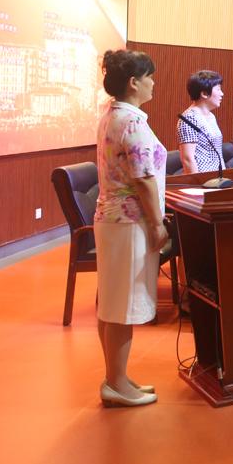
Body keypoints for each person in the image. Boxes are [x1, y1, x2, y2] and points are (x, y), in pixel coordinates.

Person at [93, 49, 167, 407]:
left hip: (111, 219)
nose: (154, 83)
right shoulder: (133, 122)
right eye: (149, 76)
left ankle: (116, 376)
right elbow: (144, 178)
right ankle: (116, 383)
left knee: (111, 303)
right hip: (130, 221)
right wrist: (157, 223)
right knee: (122, 306)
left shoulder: (112, 115)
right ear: (134, 82)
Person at [177, 70, 225, 174]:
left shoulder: (211, 116)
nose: (222, 94)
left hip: (218, 177)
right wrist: (197, 182)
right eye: (218, 89)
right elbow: (188, 159)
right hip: (203, 178)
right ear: (204, 93)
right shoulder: (189, 118)